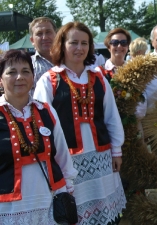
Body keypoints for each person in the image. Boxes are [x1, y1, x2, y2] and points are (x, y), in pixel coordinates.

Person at [33, 22, 126, 224]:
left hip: (101, 157)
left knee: (106, 213)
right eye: (73, 42)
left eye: (84, 43)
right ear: (62, 45)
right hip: (68, 160)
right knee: (74, 212)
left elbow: (111, 115)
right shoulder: (49, 81)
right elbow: (42, 125)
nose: (79, 48)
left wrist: (116, 150)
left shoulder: (98, 77)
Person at [0, 49, 77, 224]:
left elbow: (62, 156)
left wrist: (67, 189)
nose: (19, 77)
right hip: (8, 206)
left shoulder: (46, 111)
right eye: (11, 72)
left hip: (48, 200)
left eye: (25, 71)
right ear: (1, 80)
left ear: (33, 77)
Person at [29, 17, 56, 96]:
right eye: (39, 34)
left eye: (48, 32)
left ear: (57, 35)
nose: (45, 37)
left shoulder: (70, 61)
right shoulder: (28, 65)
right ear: (32, 40)